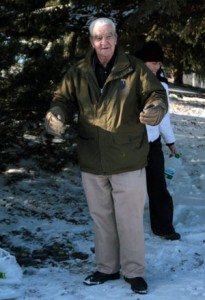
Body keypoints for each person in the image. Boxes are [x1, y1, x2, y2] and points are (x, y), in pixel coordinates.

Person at [45, 18, 168, 294]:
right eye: (99, 38)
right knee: (101, 218)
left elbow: (155, 93)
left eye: (109, 36)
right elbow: (62, 99)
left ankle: (134, 272)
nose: (104, 42)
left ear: (116, 38)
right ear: (91, 41)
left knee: (129, 219)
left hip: (127, 158)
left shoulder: (134, 69)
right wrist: (56, 114)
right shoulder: (78, 72)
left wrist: (156, 108)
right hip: (93, 159)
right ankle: (107, 268)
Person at [135, 41, 181, 241]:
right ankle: (124, 228)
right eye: (153, 62)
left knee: (158, 186)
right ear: (142, 62)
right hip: (128, 144)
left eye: (159, 62)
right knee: (128, 189)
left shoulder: (161, 85)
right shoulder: (128, 81)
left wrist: (170, 141)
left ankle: (163, 227)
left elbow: (165, 116)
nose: (157, 66)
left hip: (152, 143)